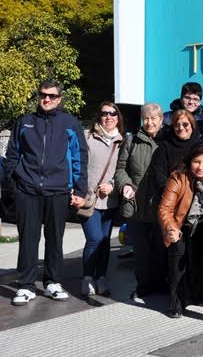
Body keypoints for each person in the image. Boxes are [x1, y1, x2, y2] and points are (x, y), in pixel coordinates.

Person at [5, 79, 88, 306]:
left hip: (58, 190)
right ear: (38, 96)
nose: (47, 99)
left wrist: (80, 189)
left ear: (59, 98)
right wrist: (15, 183)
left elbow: (80, 156)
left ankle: (52, 282)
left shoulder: (70, 123)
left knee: (55, 239)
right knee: (28, 239)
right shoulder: (25, 122)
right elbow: (12, 154)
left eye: (52, 96)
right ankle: (26, 285)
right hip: (27, 190)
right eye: (43, 95)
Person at [158, 143, 203, 318]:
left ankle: (200, 294)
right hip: (181, 225)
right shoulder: (178, 178)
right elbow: (165, 209)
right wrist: (171, 228)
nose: (201, 167)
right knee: (178, 260)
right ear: (190, 161)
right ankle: (175, 302)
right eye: (196, 162)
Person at [114, 103, 166, 302]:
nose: (149, 122)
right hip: (136, 207)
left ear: (161, 120)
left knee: (160, 250)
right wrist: (125, 184)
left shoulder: (167, 141)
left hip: (160, 206)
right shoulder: (131, 141)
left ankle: (161, 285)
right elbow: (120, 169)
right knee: (141, 253)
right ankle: (143, 286)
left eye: (154, 118)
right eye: (146, 118)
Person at [80, 102, 125, 296]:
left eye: (113, 113)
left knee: (105, 240)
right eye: (104, 113)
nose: (109, 117)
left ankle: (101, 277)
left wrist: (113, 185)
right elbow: (77, 166)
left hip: (110, 201)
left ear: (118, 117)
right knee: (94, 238)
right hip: (88, 199)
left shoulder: (123, 141)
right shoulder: (87, 137)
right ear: (99, 116)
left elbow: (125, 169)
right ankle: (88, 277)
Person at [150, 110, 201, 199]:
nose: (181, 128)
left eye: (185, 124)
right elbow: (158, 172)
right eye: (177, 125)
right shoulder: (165, 147)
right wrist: (171, 191)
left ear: (192, 126)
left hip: (197, 196)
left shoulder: (201, 147)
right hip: (171, 195)